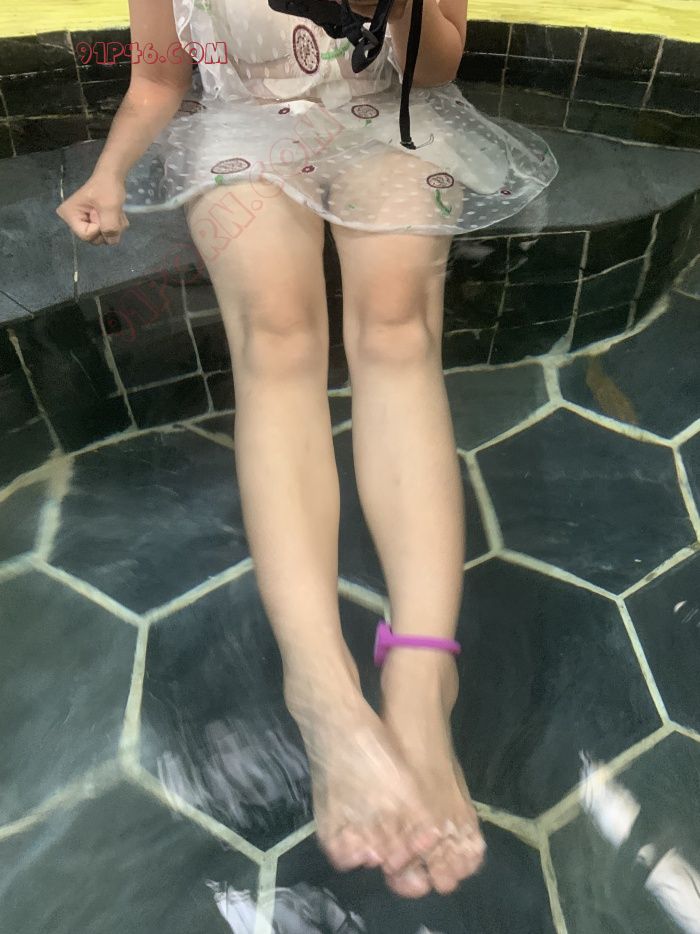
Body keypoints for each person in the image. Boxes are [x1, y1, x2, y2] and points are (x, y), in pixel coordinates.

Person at [56, 0, 557, 899]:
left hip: (389, 116)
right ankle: (319, 686)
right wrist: (110, 172)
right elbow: (158, 76)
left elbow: (433, 68)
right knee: (279, 338)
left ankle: (421, 680)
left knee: (398, 328)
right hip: (240, 127)